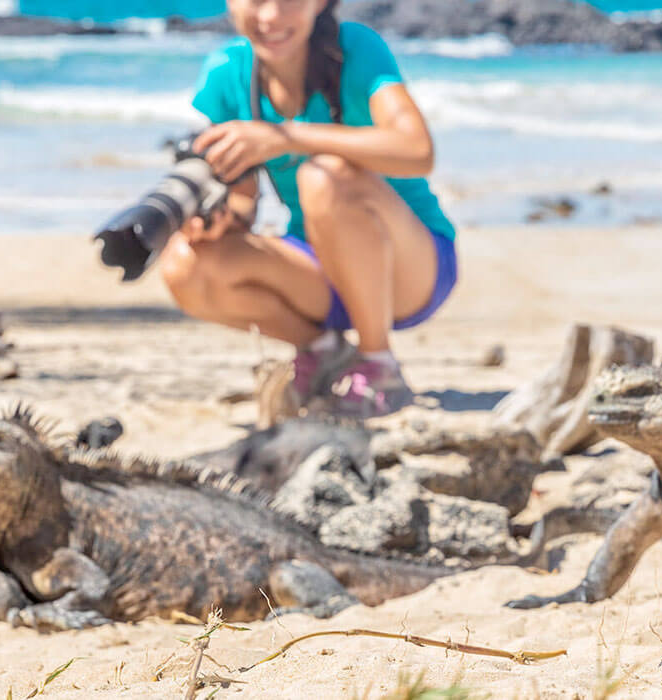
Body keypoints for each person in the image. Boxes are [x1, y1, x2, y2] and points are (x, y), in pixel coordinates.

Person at [158, 0, 458, 418]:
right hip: (318, 269)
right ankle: (323, 349)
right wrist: (220, 221)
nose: (270, 18)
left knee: (324, 175)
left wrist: (286, 136)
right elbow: (244, 198)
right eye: (256, 0)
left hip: (411, 268)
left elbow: (417, 150)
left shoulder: (354, 48)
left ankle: (379, 362)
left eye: (290, 1)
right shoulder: (228, 71)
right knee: (184, 265)